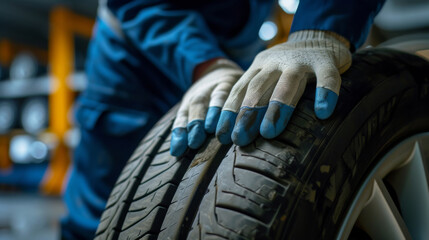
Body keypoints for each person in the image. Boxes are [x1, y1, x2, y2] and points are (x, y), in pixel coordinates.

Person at [60, 0, 385, 239]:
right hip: (136, 59)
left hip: (237, 51)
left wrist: (322, 28)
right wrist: (205, 65)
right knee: (102, 211)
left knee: (227, 192)